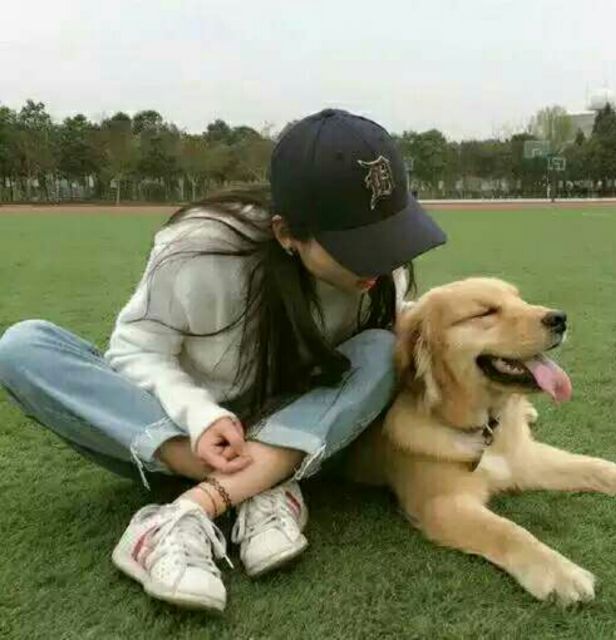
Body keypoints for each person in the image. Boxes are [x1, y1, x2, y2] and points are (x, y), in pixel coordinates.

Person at [0, 108, 447, 612]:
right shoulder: (202, 249)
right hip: (184, 432)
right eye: (355, 246)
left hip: (298, 424)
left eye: (389, 236)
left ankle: (191, 509)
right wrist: (199, 415)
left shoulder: (382, 272)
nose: (380, 262)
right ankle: (262, 482)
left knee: (382, 350)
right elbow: (135, 348)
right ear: (286, 233)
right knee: (23, 348)